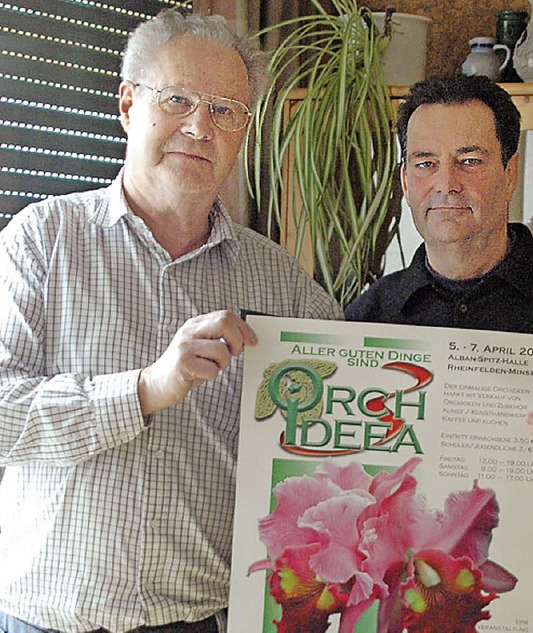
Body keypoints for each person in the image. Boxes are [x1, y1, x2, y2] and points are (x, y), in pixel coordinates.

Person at [0, 9, 341, 633]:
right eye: (177, 99)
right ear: (129, 105)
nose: (199, 127)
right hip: (47, 618)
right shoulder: (39, 242)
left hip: (203, 619)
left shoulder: (279, 280)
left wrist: (519, 396)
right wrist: (144, 389)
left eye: (225, 110)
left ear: (244, 130)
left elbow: (350, 409)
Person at [345, 75, 533, 633]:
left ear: (509, 173)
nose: (446, 183)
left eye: (470, 160)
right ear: (405, 180)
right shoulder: (368, 322)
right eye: (426, 162)